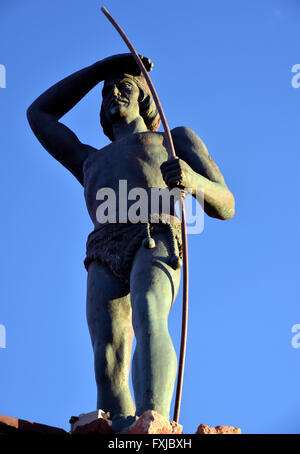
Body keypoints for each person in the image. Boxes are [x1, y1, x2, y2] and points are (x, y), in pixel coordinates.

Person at [27, 54, 235, 432]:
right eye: (107, 91)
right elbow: (38, 114)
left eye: (125, 86)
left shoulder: (173, 140)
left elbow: (227, 203)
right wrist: (97, 71)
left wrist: (192, 180)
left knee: (149, 311)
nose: (113, 94)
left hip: (154, 233)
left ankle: (152, 418)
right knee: (107, 352)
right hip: (104, 247)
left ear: (144, 97)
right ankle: (115, 427)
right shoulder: (88, 159)